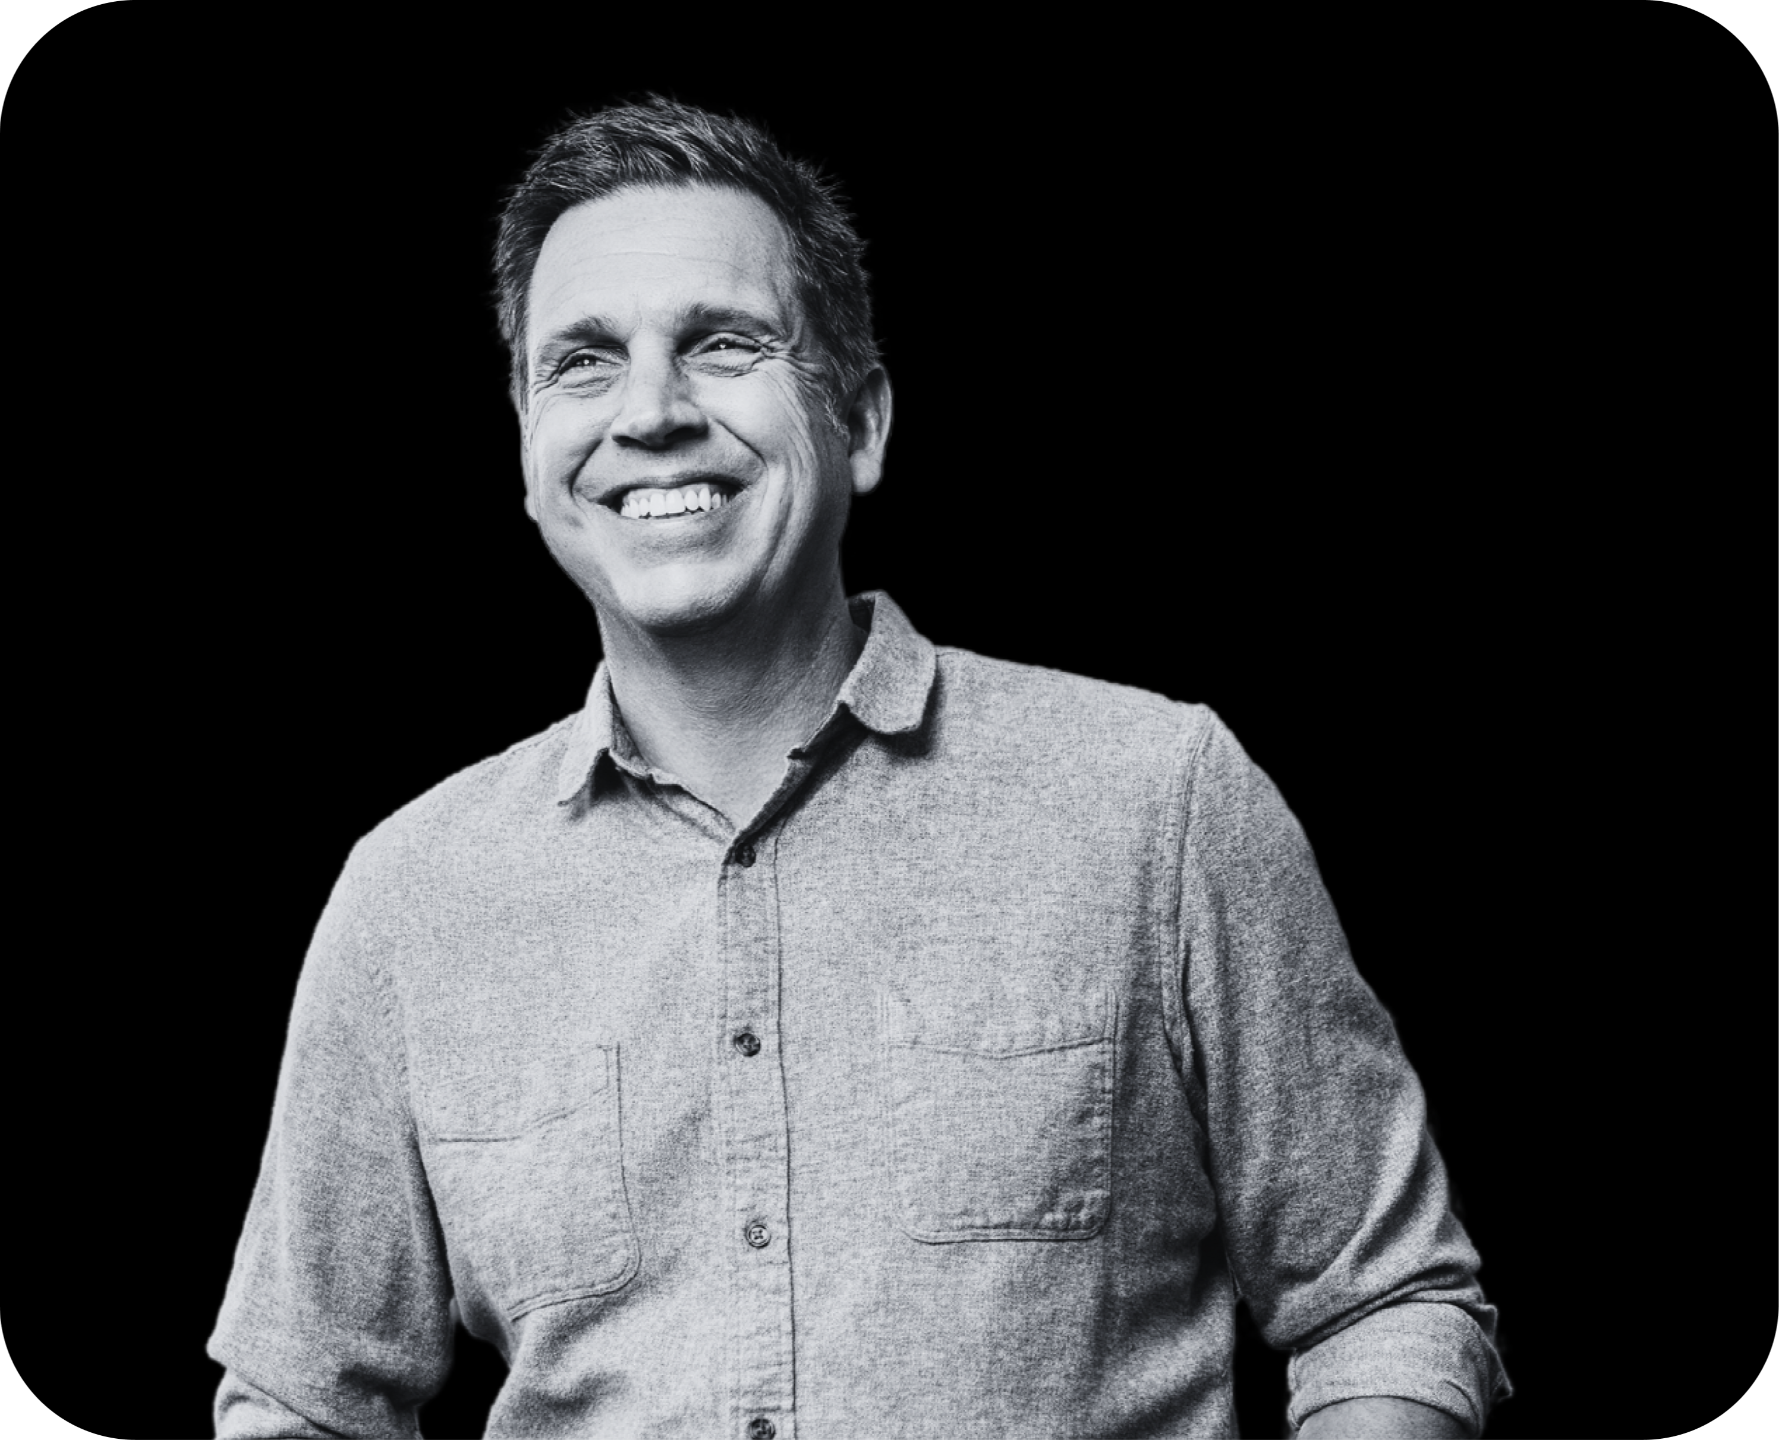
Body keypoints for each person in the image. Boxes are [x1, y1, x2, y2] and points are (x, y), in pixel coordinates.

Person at [209, 97, 1509, 1438]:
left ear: (863, 421)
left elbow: (1386, 1303)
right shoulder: (412, 900)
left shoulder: (1155, 803)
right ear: (531, 452)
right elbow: (302, 1399)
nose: (649, 412)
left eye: (723, 345)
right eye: (582, 364)